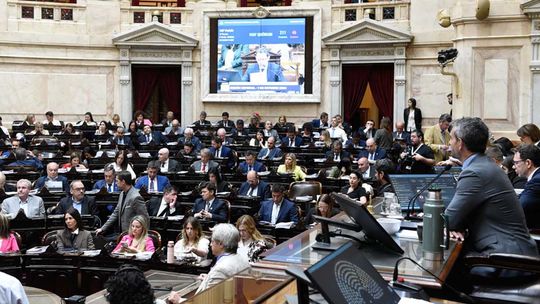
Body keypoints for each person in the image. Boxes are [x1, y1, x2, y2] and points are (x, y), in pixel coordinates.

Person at [444, 117, 537, 270]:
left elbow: (448, 221)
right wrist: (456, 224)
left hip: (506, 261)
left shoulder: (474, 172)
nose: (449, 143)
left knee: (442, 274)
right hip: (513, 253)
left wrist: (453, 224)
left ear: (460, 143)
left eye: (452, 138)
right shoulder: (486, 165)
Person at [96, 171, 149, 236]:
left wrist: (143, 237)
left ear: (123, 182)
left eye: (117, 181)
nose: (116, 183)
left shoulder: (136, 197)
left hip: (133, 235)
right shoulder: (122, 193)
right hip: (123, 233)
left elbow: (144, 218)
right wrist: (102, 228)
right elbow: (116, 213)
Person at [513, 144, 540, 229]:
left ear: (528, 163)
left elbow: (521, 208)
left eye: (516, 163)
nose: (513, 166)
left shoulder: (537, 181)